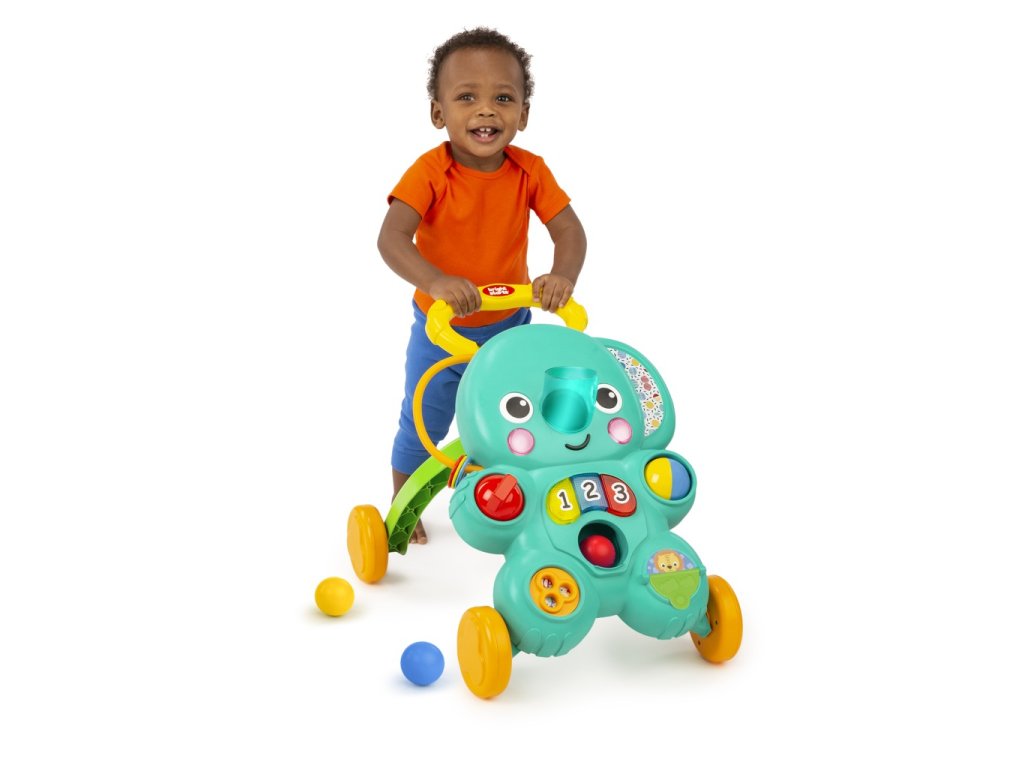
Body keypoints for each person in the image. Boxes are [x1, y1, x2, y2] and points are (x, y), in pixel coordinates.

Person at [378, 27, 587, 543]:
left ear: (524, 114)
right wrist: (435, 280)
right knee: (424, 421)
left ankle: (522, 500)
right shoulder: (430, 173)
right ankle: (404, 506)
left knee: (520, 420)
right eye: (467, 97)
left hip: (510, 327)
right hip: (441, 330)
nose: (486, 110)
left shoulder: (530, 171)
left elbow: (569, 231)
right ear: (438, 113)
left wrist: (562, 276)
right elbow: (391, 238)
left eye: (503, 99)